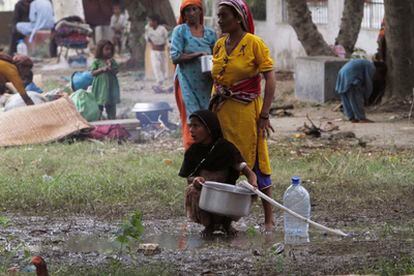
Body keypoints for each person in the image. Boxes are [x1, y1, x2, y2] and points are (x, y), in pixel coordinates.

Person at [210, 0, 276, 232]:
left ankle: (269, 219)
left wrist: (265, 114)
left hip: (247, 113)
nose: (219, 20)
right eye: (218, 16)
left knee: (256, 161)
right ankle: (225, 220)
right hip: (222, 113)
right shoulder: (219, 45)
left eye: (224, 16)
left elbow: (270, 78)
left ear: (238, 18)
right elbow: (217, 81)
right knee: (227, 163)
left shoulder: (254, 43)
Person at [179, 110, 258, 236]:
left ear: (209, 128)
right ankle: (209, 225)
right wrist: (195, 180)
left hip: (225, 193)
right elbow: (189, 177)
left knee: (247, 192)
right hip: (204, 192)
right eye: (190, 126)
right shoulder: (192, 151)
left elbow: (249, 173)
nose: (191, 130)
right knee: (192, 190)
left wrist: (253, 184)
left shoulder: (226, 148)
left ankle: (227, 224)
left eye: (196, 126)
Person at [170, 0, 217, 150]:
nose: (191, 13)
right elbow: (175, 57)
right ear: (183, 14)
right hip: (186, 82)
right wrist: (196, 55)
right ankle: (191, 157)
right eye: (187, 11)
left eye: (194, 9)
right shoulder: (180, 31)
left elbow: (216, 56)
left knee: (207, 119)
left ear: (200, 11)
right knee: (192, 120)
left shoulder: (210, 34)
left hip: (206, 84)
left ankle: (207, 157)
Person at [91, 40, 120, 120]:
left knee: (111, 106)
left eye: (110, 49)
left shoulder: (112, 61)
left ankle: (112, 120)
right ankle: (98, 121)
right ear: (100, 50)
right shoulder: (97, 61)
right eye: (106, 49)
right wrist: (102, 69)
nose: (109, 51)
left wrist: (110, 68)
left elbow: (116, 71)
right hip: (100, 88)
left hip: (111, 87)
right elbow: (93, 73)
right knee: (98, 106)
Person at [145, 14, 169, 92]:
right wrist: (153, 45)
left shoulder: (162, 29)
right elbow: (148, 38)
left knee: (163, 67)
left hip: (162, 51)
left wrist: (168, 46)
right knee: (156, 66)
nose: (149, 22)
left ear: (155, 21)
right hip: (154, 51)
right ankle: (159, 82)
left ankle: (164, 83)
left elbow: (167, 38)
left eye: (150, 21)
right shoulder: (148, 29)